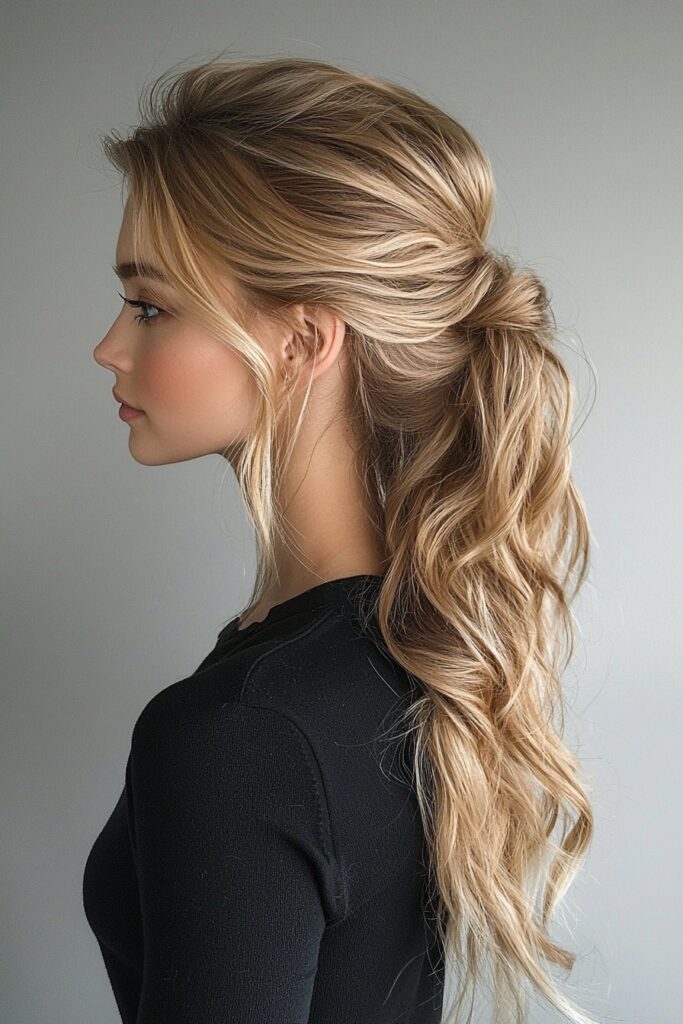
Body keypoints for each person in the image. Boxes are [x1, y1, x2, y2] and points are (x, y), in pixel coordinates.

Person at [85, 54, 597, 1024]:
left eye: (149, 304)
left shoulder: (245, 727)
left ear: (303, 339)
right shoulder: (396, 651)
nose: (110, 346)